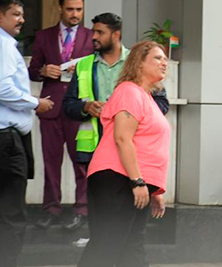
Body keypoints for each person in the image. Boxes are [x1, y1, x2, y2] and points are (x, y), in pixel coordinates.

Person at [61, 41, 170, 267]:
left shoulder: (145, 96)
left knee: (131, 248)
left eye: (165, 58)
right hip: (117, 179)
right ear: (138, 63)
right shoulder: (129, 92)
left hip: (133, 181)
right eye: (157, 57)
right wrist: (137, 181)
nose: (164, 62)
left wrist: (153, 187)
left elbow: (145, 145)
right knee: (106, 246)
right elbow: (123, 138)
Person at [0, 0, 53, 267]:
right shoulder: (1, 44)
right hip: (3, 140)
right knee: (10, 219)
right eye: (15, 14)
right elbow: (1, 87)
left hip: (0, 138)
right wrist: (35, 103)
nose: (21, 20)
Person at [63, 12, 169, 166]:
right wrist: (86, 107)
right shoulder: (84, 65)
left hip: (133, 146)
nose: (94, 37)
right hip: (95, 147)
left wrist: (132, 112)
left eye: (100, 32)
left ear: (116, 35)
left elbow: (161, 103)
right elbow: (68, 105)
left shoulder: (138, 62)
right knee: (94, 190)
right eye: (94, 32)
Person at [29, 0, 94, 231]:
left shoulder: (91, 37)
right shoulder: (44, 36)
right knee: (51, 162)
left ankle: (82, 210)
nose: (75, 14)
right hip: (51, 105)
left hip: (79, 106)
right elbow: (32, 70)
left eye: (79, 9)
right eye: (70, 9)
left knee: (82, 161)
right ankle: (51, 209)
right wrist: (43, 71)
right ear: (60, 9)